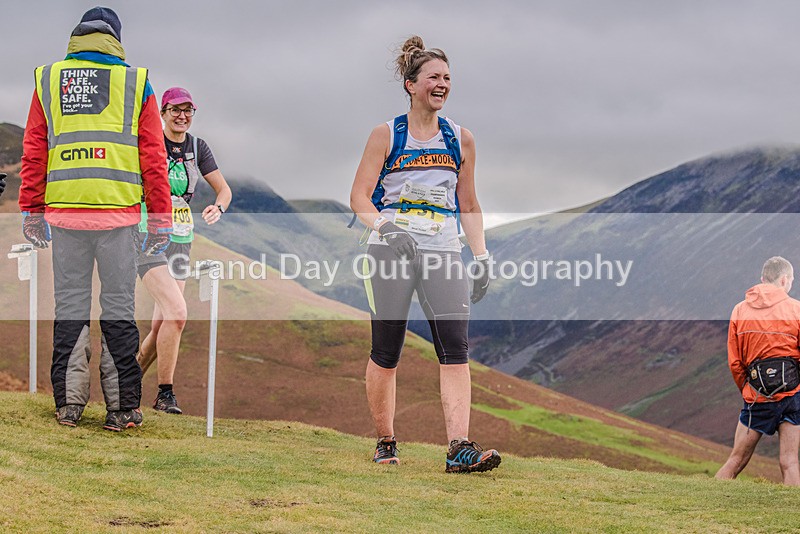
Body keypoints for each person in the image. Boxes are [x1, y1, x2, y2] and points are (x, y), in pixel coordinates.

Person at [19, 6, 173, 431]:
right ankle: (122, 409)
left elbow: (35, 151)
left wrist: (32, 211)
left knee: (69, 305)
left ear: (76, 38)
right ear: (116, 40)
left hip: (65, 215)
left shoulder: (48, 80)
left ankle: (68, 405)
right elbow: (153, 159)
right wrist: (160, 219)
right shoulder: (135, 82)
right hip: (119, 218)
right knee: (119, 308)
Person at [349, 36, 498, 473]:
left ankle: (459, 448)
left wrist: (481, 255)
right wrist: (385, 226)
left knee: (455, 347)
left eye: (448, 78)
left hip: (442, 250)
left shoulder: (460, 138)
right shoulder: (386, 134)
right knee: (387, 349)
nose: (443, 84)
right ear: (411, 84)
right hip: (390, 249)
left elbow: (468, 204)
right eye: (434, 77)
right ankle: (385, 440)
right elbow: (360, 197)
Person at [135, 87, 231, 414]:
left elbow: (224, 189)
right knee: (177, 313)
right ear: (162, 113)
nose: (182, 116)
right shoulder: (148, 141)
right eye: (176, 110)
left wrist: (218, 207)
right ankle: (165, 393)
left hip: (181, 238)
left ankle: (128, 378)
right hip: (148, 236)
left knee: (164, 322)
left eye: (188, 110)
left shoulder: (197, 147)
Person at [715, 256, 800, 485]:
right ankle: (793, 514)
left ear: (763, 279)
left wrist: (748, 389)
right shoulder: (796, 309)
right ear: (784, 280)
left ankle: (708, 502)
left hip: (756, 397)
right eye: (791, 280)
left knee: (736, 460)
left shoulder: (740, 311)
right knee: (790, 461)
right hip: (793, 395)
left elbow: (735, 361)